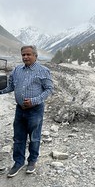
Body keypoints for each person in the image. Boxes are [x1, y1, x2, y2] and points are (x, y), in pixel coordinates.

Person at [0, 45, 53, 178]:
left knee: (34, 137)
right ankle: (18, 163)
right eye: (23, 55)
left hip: (35, 110)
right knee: (18, 138)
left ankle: (32, 161)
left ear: (35, 56)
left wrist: (34, 101)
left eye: (28, 54)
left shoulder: (43, 70)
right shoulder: (17, 69)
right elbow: (11, 86)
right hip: (20, 109)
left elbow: (49, 89)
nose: (25, 57)